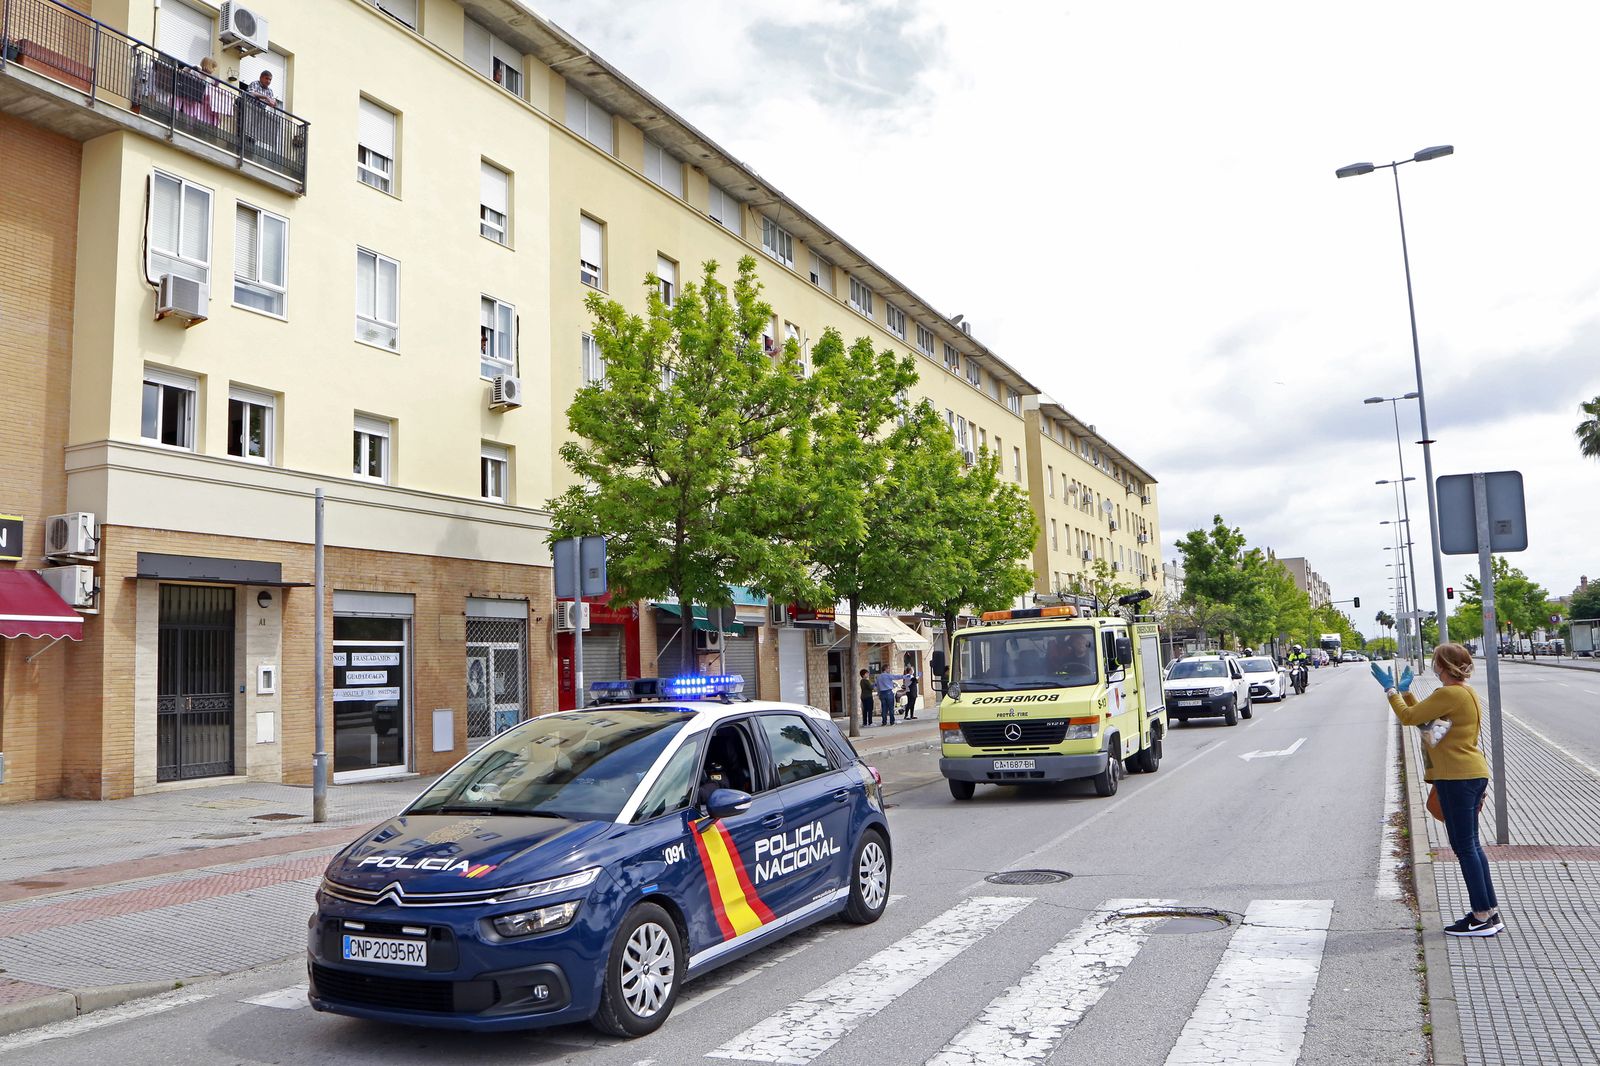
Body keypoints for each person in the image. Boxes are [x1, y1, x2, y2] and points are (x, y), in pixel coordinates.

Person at [1372, 644, 1501, 936]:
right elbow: (1432, 727)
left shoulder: (1448, 693)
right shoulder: (1465, 693)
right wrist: (1406, 694)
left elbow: (1408, 718)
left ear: (1442, 666)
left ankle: (1481, 917)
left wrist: (1391, 691)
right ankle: (1489, 911)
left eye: (1435, 662)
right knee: (1471, 846)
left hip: (1457, 777)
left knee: (1465, 847)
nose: (1433, 666)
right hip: (1470, 773)